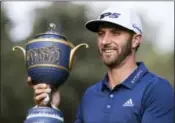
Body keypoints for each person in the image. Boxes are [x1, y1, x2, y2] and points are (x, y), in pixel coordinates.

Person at [28, 7, 174, 123]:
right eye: (101, 34)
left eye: (115, 33)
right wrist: (50, 110)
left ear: (136, 40)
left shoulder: (156, 89)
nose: (105, 41)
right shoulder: (90, 95)